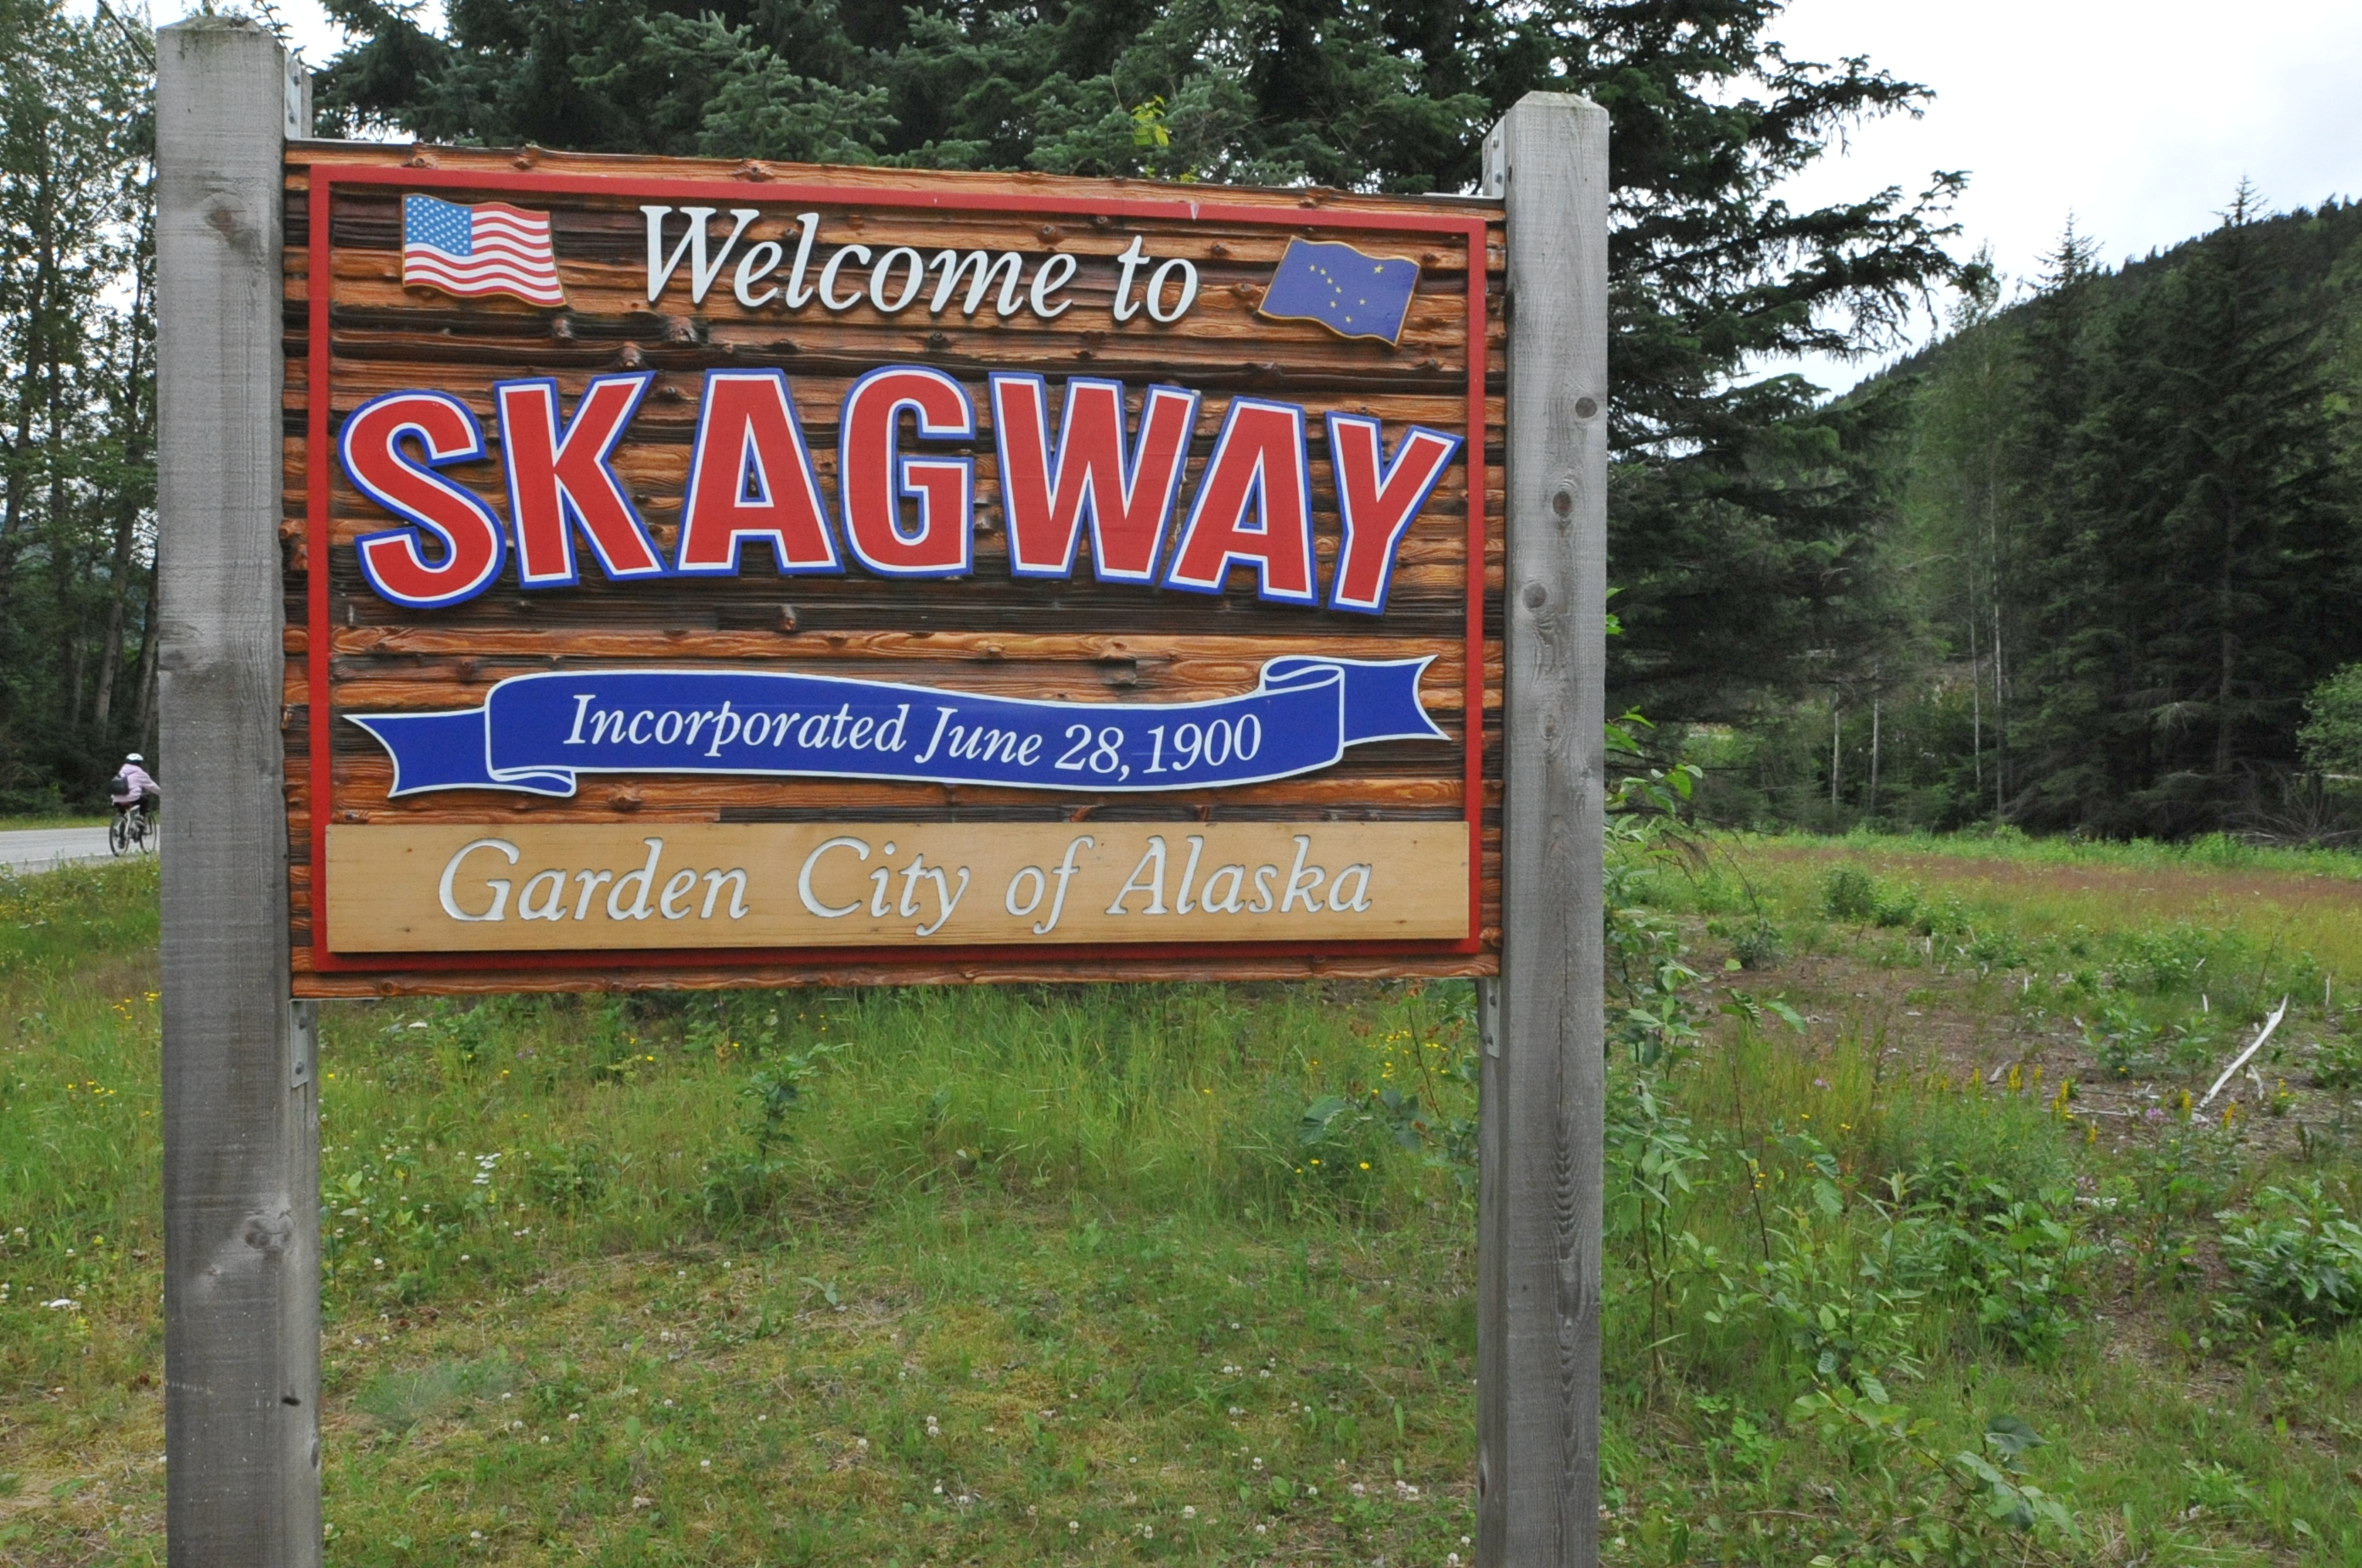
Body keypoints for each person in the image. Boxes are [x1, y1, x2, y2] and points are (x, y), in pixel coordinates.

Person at [110, 753, 160, 824]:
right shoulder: (141, 774)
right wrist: (162, 793)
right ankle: (141, 818)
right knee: (144, 800)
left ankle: (122, 824)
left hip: (117, 799)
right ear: (139, 763)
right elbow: (152, 786)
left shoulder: (121, 772)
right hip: (132, 799)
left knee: (124, 815)